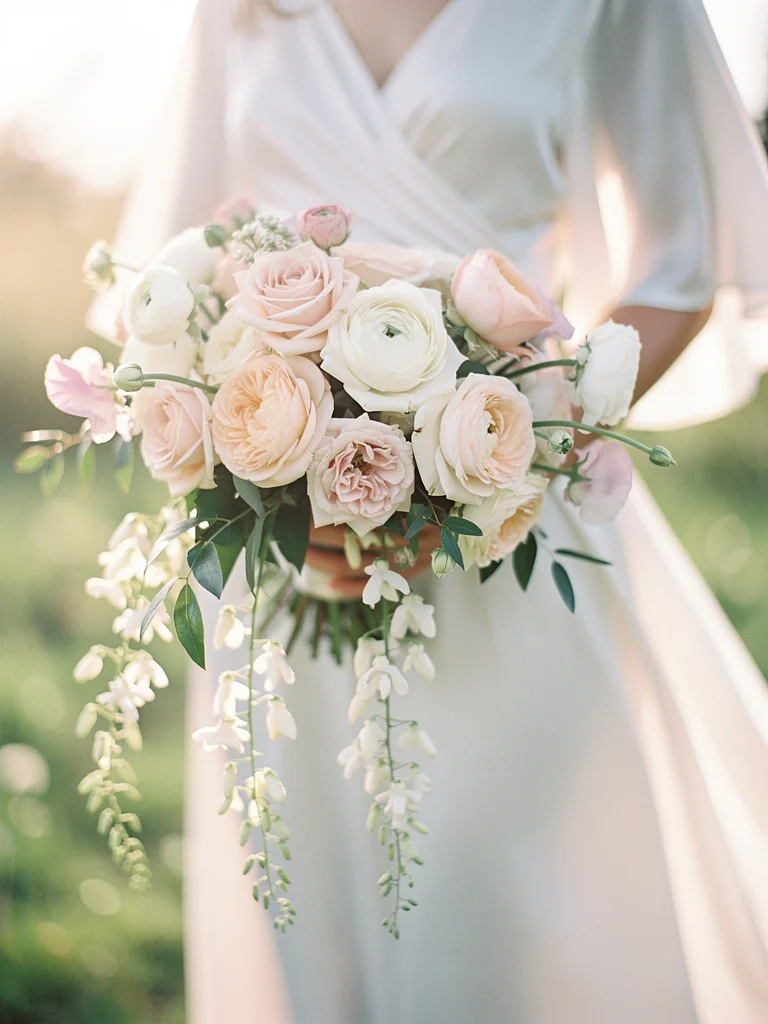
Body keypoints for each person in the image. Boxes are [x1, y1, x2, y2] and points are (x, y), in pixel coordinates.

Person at [94, 0, 768, 1020]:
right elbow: (168, 272)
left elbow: (678, 273)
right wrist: (264, 466)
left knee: (510, 923)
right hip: (281, 548)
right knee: (316, 925)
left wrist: (504, 454)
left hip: (505, 525)